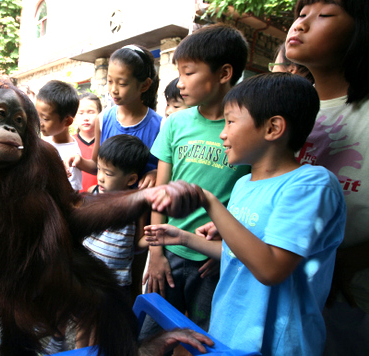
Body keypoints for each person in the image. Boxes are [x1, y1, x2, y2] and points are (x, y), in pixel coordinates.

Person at [145, 72, 346, 355]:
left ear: (273, 128)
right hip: (231, 331)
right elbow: (238, 253)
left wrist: (209, 202)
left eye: (230, 122)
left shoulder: (312, 185)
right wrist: (184, 238)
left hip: (280, 343)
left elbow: (270, 268)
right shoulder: (243, 184)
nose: (222, 133)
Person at [141, 24, 251, 340]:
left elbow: (249, 197)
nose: (180, 82)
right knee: (152, 334)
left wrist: (226, 253)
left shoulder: (245, 129)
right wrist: (156, 253)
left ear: (224, 73)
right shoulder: (176, 124)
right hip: (170, 251)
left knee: (204, 339)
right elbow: (159, 194)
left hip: (213, 261)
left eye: (189, 73)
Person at [285, 1, 369, 354]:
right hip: (285, 286)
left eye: (324, 15)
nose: (301, 25)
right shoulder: (287, 109)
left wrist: (342, 263)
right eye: (301, 14)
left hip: (352, 295)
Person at [77, 134, 150, 349]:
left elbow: (138, 242)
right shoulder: (92, 193)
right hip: (87, 276)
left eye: (108, 173)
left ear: (130, 179)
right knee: (82, 326)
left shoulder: (136, 204)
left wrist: (157, 239)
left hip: (114, 283)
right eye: (99, 169)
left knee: (101, 333)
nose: (100, 177)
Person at [69, 44, 162, 189]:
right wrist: (80, 161)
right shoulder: (103, 120)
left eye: (122, 83)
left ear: (144, 85)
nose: (113, 90)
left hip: (141, 208)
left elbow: (171, 171)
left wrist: (157, 173)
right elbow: (96, 166)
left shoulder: (161, 127)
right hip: (110, 206)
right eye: (110, 81)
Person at [36, 80, 82, 191]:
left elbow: (71, 192)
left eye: (45, 118)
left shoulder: (71, 156)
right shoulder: (44, 139)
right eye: (37, 115)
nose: (39, 122)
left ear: (67, 122)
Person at [73, 92, 100, 192]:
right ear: (74, 116)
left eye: (91, 112)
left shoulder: (106, 142)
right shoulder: (70, 143)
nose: (86, 118)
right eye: (80, 113)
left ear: (100, 114)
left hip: (100, 200)